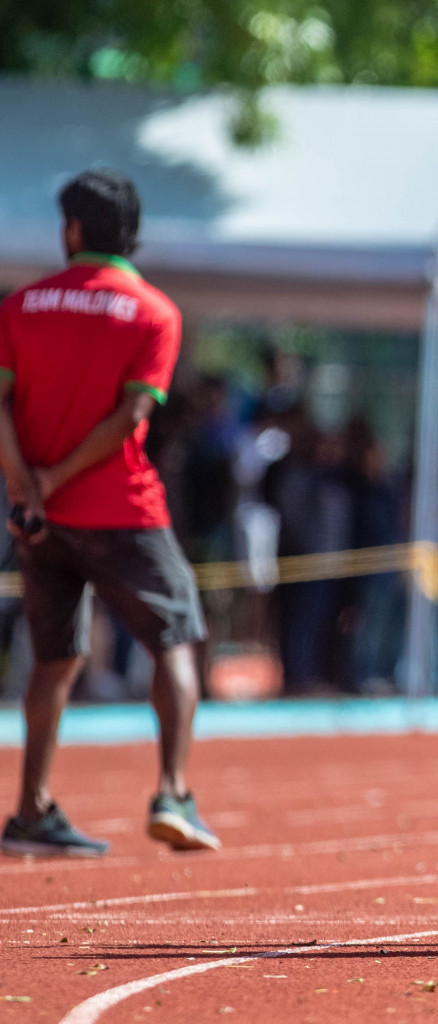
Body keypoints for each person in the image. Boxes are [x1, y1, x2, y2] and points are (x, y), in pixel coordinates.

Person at [0, 169, 219, 857]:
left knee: (54, 658)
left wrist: (28, 489)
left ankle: (31, 808)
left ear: (72, 230)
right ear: (130, 234)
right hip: (123, 508)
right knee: (174, 638)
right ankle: (174, 793)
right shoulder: (154, 312)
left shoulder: (20, 306)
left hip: (40, 518)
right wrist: (61, 477)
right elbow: (130, 418)